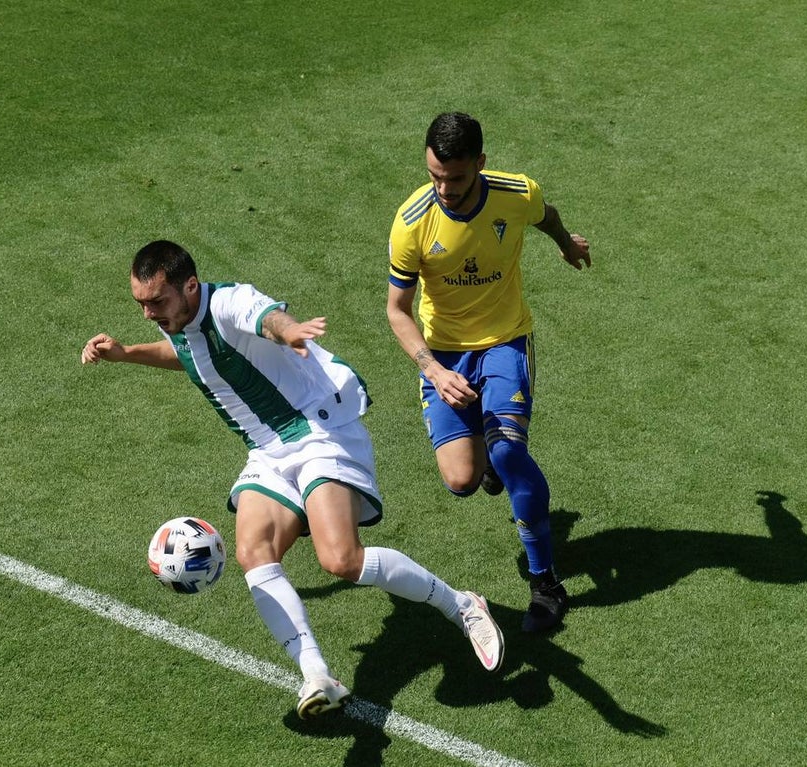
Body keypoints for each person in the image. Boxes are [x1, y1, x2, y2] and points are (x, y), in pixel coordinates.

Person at [81, 239, 504, 719]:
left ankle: (462, 606)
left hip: (321, 431)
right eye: (141, 303)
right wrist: (125, 353)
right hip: (269, 450)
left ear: (190, 286)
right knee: (253, 552)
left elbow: (264, 319)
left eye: (156, 301)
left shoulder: (229, 302)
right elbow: (190, 353)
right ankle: (317, 674)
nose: (148, 313)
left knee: (341, 559)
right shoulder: (182, 320)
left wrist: (290, 331)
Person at [386, 112, 591, 633]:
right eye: (434, 176)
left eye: (454, 178)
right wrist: (431, 369)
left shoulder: (515, 194)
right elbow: (396, 310)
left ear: (480, 163)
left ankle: (545, 584)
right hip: (445, 356)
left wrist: (567, 243)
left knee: (508, 449)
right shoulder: (412, 223)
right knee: (461, 480)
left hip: (505, 342)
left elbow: (546, 216)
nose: (443, 189)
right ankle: (491, 457)